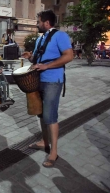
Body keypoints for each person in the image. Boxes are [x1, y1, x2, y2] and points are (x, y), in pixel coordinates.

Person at [22, 10, 73, 168]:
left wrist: (46, 66)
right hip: (39, 81)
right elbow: (39, 59)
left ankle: (54, 152)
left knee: (50, 116)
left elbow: (69, 56)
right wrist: (30, 57)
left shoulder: (60, 36)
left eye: (38, 22)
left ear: (46, 22)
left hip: (52, 81)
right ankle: (44, 141)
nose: (37, 24)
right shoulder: (41, 39)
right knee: (42, 115)